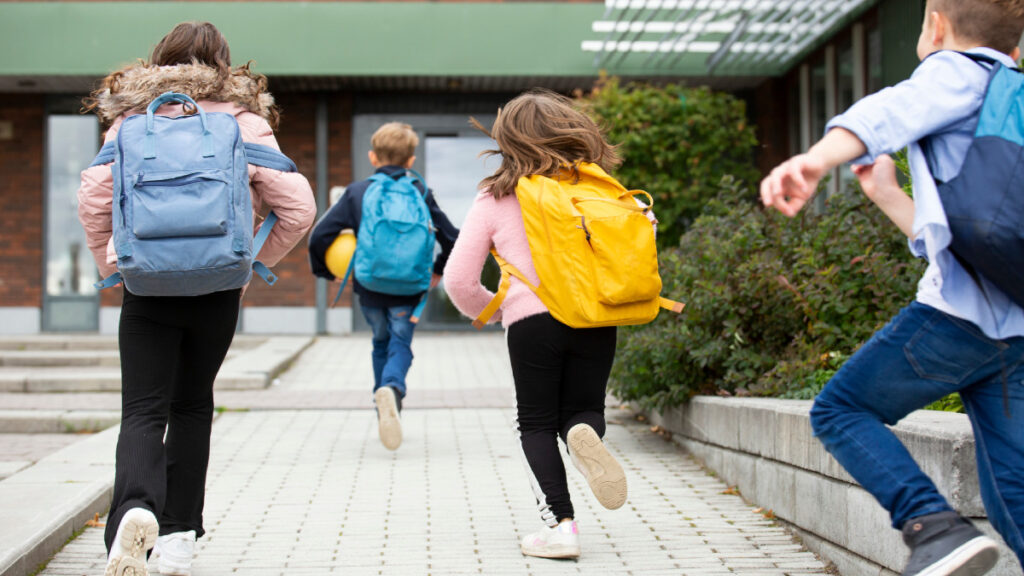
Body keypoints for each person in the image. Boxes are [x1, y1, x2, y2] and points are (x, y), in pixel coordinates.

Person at [761, 1, 1024, 574]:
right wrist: (886, 195)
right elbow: (979, 237)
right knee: (1014, 499)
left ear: (936, 23)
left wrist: (815, 159)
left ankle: (932, 527)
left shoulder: (955, 71)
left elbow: (887, 111)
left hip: (956, 321)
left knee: (840, 409)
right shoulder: (1011, 94)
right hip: (1015, 334)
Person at [78, 21, 316, 576]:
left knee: (142, 408)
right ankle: (180, 536)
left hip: (147, 285)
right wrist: (253, 263)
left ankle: (133, 512)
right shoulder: (243, 120)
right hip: (217, 287)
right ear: (224, 66)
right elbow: (298, 206)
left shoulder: (131, 119)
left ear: (160, 61)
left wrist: (112, 267)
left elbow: (92, 200)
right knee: (192, 405)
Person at [443, 89, 635, 560]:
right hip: (596, 317)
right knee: (584, 410)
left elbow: (459, 279)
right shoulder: (599, 187)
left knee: (533, 422)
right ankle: (582, 435)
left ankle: (561, 527)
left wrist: (493, 310)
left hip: (533, 321)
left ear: (509, 140)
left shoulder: (496, 195)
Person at [308, 122, 458, 451]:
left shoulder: (358, 192)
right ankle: (392, 389)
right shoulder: (420, 192)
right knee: (400, 342)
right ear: (410, 161)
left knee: (380, 342)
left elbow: (319, 236)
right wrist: (438, 270)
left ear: (372, 157)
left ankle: (383, 406)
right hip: (410, 287)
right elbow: (452, 237)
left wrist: (324, 271)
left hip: (370, 286)